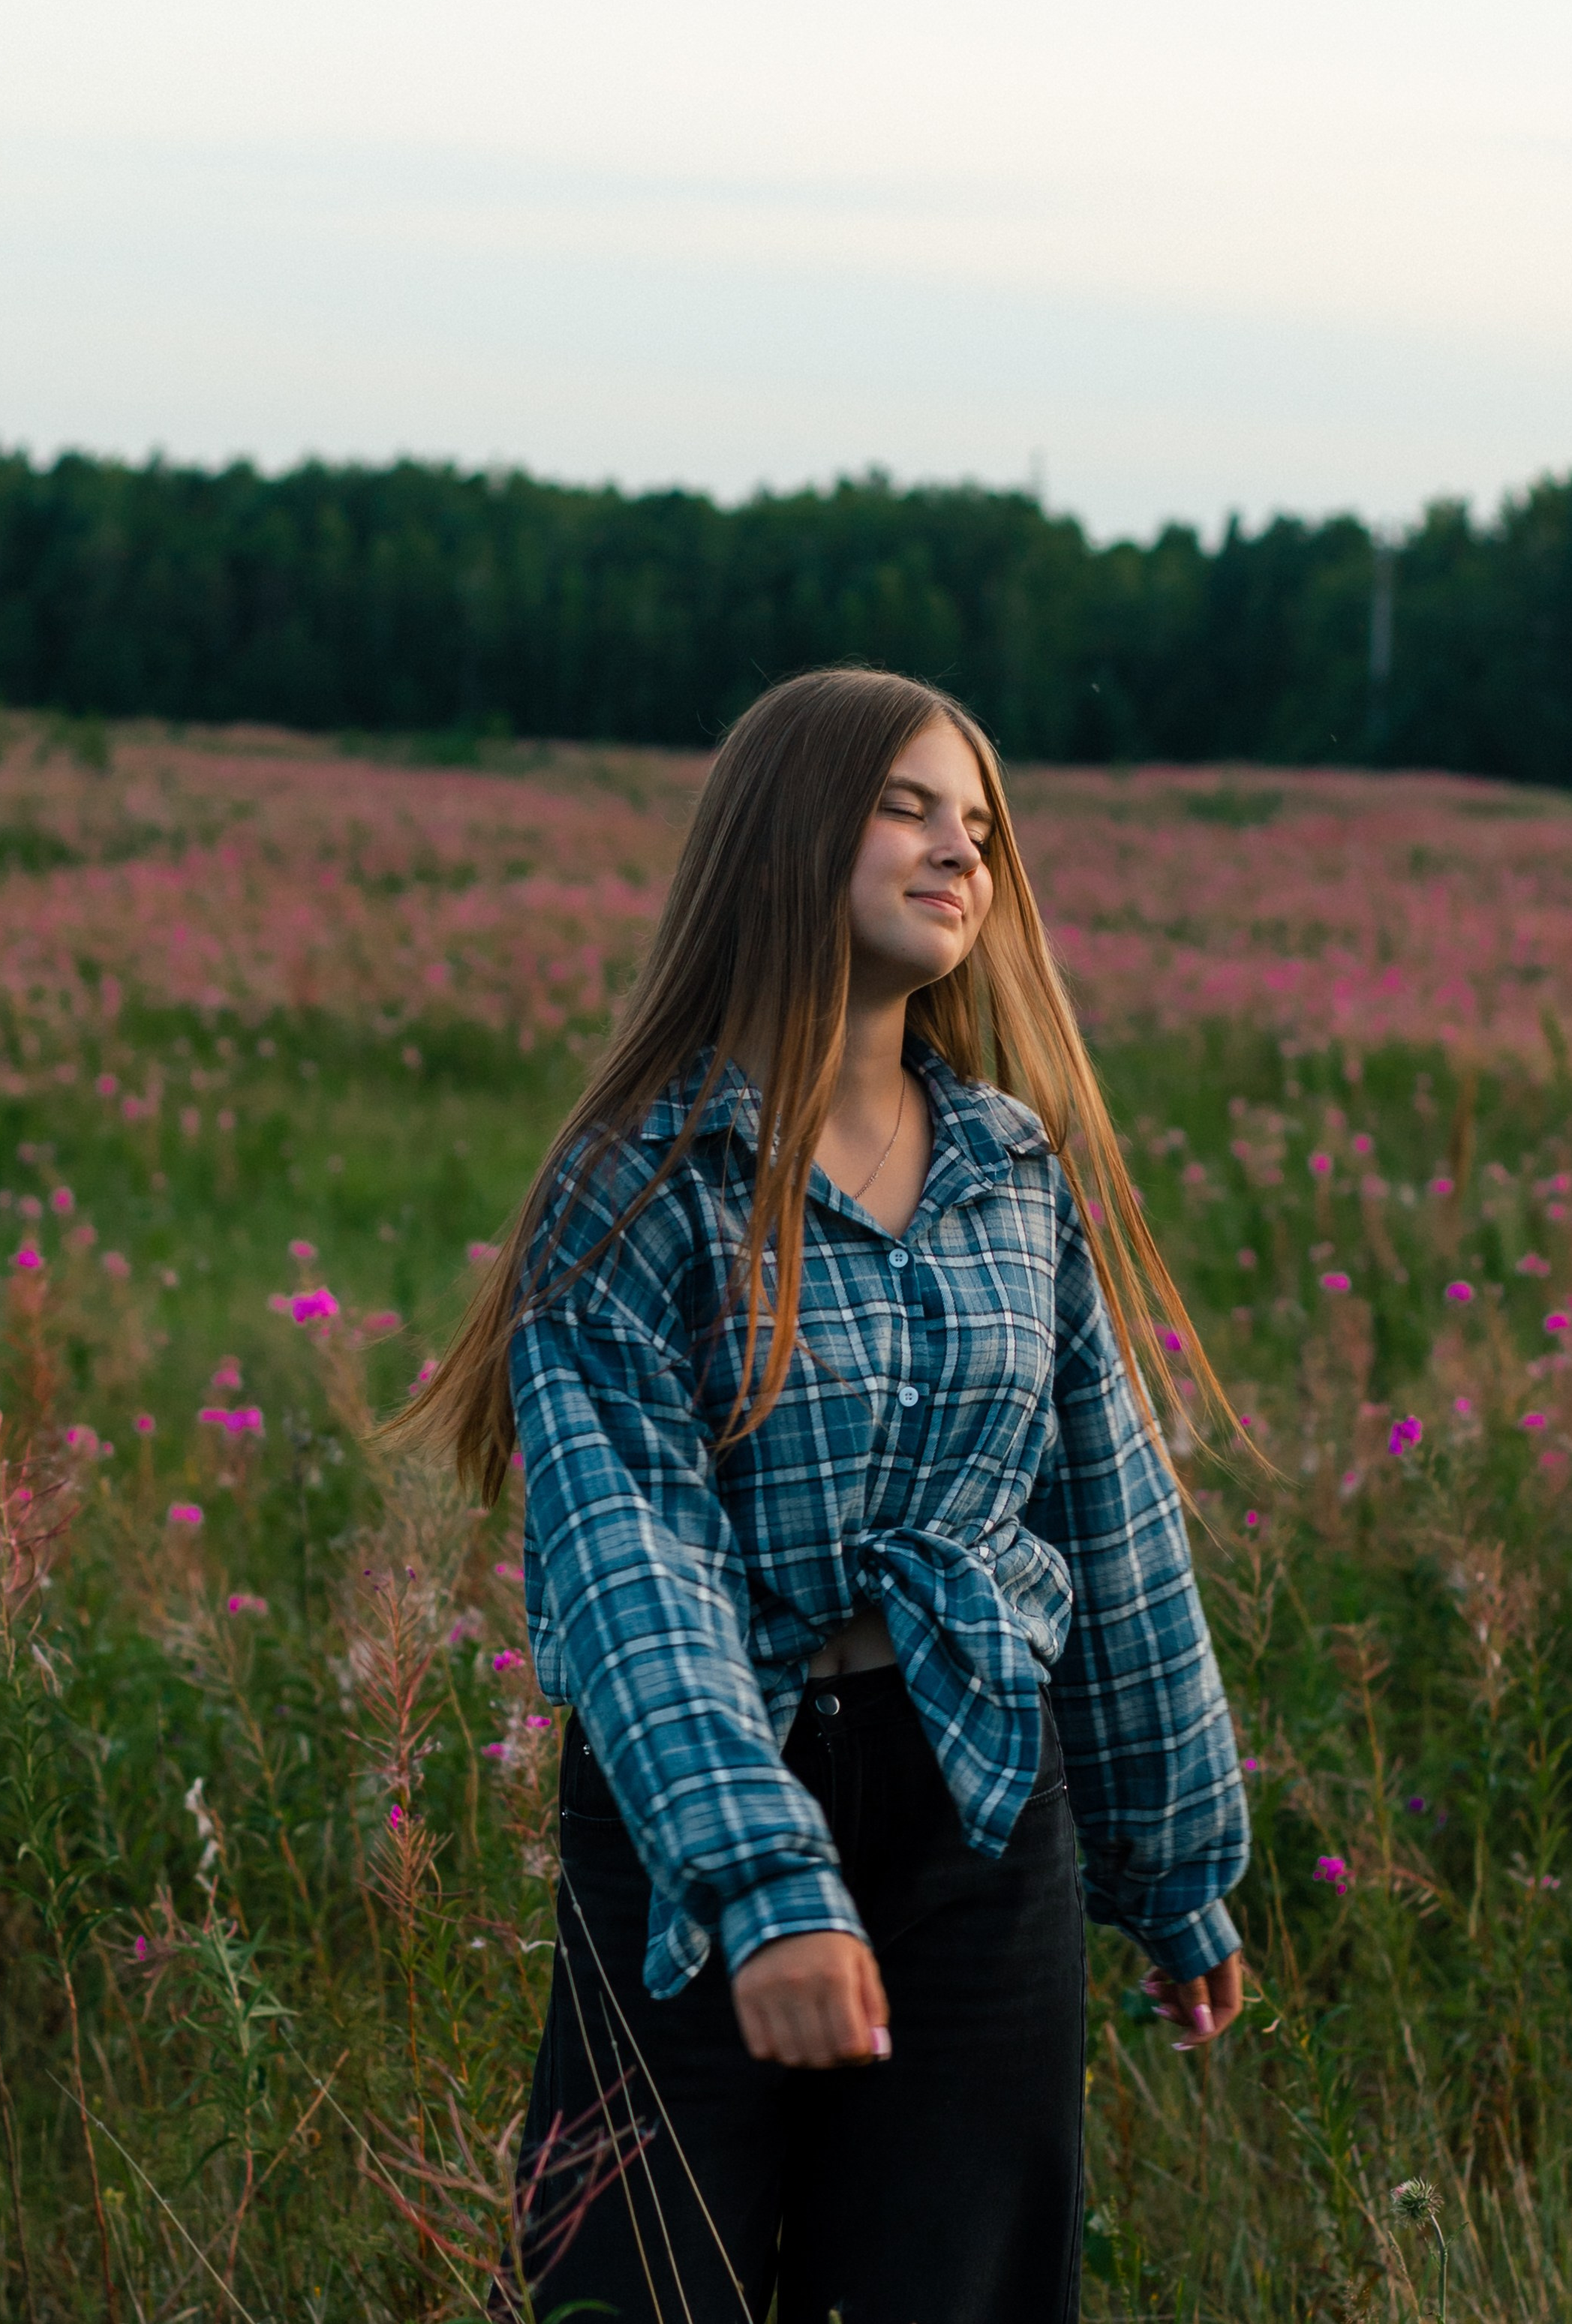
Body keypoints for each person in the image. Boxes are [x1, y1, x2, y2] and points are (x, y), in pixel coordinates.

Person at [404, 668, 1249, 2324]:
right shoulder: (639, 1182)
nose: (961, 851)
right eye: (905, 806)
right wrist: (762, 1875)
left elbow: (1110, 1519)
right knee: (639, 2287)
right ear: (789, 835)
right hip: (694, 1822)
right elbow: (636, 1574)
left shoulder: (1014, 1168)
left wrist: (1173, 1863)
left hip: (981, 1804)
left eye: (980, 824)